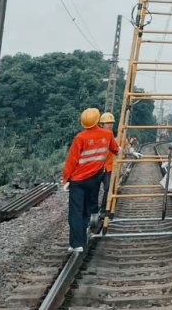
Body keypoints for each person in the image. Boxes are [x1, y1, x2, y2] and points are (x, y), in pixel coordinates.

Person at [63, 107, 119, 253]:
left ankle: (76, 244)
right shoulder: (107, 135)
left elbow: (72, 161)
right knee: (86, 210)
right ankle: (82, 240)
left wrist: (66, 179)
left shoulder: (80, 138)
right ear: (97, 120)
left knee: (76, 211)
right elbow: (116, 149)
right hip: (93, 180)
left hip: (78, 180)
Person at [93, 112, 117, 218]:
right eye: (108, 123)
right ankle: (93, 211)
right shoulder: (96, 136)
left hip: (109, 168)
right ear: (101, 124)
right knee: (94, 189)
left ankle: (104, 209)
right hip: (97, 168)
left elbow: (123, 144)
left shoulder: (115, 135)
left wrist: (131, 150)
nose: (110, 125)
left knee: (108, 189)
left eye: (111, 123)